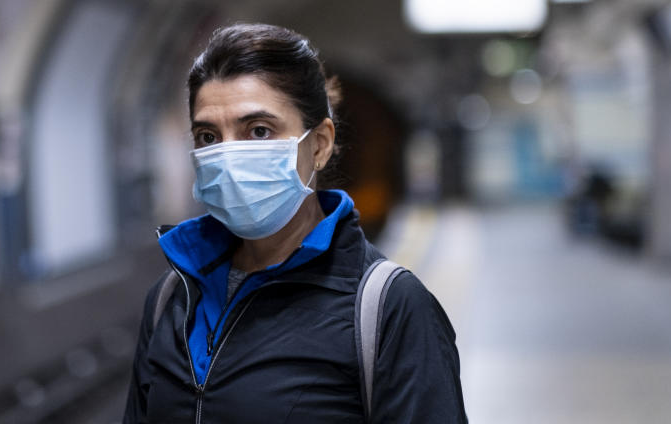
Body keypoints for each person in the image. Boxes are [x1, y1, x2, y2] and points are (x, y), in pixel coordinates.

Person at [124, 23, 467, 423]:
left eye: (259, 130)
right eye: (207, 136)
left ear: (319, 145)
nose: (229, 156)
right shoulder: (172, 298)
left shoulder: (387, 309)